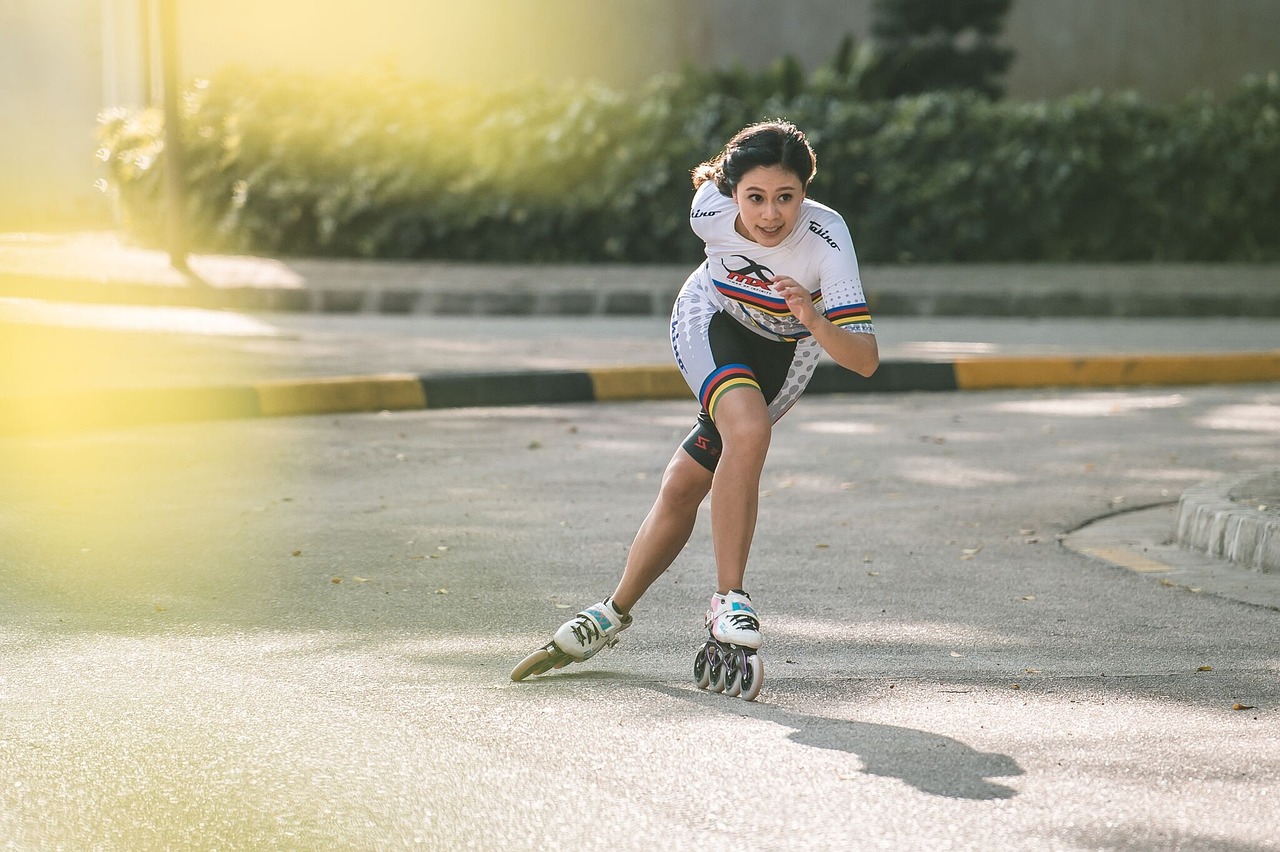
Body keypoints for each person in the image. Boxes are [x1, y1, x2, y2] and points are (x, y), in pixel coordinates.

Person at [514, 120, 878, 695]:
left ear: (805, 193)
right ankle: (730, 599)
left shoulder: (827, 240)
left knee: (687, 483)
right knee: (749, 430)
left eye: (786, 197)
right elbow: (717, 201)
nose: (769, 215)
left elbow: (864, 359)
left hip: (786, 348)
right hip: (710, 319)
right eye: (754, 197)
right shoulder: (706, 208)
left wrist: (812, 315)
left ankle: (611, 612)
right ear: (731, 192)